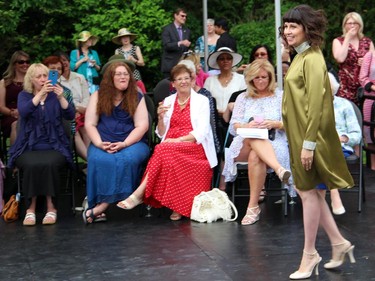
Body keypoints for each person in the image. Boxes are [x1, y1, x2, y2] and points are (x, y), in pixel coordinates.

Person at [280, 5, 356, 279]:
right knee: (311, 195)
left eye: (294, 26)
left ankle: (310, 254)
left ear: (306, 29)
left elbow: (316, 104)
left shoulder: (312, 58)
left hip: (311, 138)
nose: (288, 31)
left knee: (308, 194)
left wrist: (308, 144)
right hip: (303, 136)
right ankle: (338, 243)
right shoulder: (300, 56)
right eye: (286, 26)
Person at [117, 64, 217, 221]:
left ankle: (138, 194)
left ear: (192, 81)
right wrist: (161, 118)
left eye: (186, 78)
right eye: (179, 79)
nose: (183, 81)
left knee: (162, 149)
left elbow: (202, 131)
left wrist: (177, 140)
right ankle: (177, 206)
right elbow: (161, 132)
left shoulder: (201, 101)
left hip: (194, 145)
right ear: (173, 83)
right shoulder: (168, 101)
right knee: (165, 152)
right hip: (169, 146)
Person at [222, 59, 293, 225]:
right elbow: (233, 126)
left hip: (274, 142)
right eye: (257, 78)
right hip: (243, 144)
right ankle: (279, 169)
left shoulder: (281, 96)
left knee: (256, 156)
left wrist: (275, 123)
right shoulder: (243, 97)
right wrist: (248, 125)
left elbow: (291, 125)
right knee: (254, 136)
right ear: (251, 80)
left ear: (270, 78)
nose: (260, 81)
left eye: (264, 77)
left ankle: (252, 208)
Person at [7, 63, 75, 226]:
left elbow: (70, 114)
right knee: (32, 164)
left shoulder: (56, 95)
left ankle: (52, 208)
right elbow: (24, 112)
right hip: (29, 146)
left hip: (54, 145)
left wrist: (60, 97)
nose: (43, 79)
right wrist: (40, 95)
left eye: (45, 76)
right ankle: (31, 208)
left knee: (49, 163)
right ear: (31, 79)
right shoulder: (25, 95)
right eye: (39, 77)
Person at [82, 61, 149, 224]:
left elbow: (142, 125)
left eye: (126, 74)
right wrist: (98, 143)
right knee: (99, 159)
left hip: (132, 142)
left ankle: (101, 207)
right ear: (110, 78)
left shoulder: (136, 95)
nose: (123, 76)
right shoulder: (97, 95)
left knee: (125, 159)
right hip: (103, 141)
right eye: (118, 74)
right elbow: (89, 124)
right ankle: (100, 203)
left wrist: (125, 144)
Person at [317, 72, 361, 215]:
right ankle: (334, 195)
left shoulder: (344, 105)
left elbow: (357, 134)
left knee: (325, 151)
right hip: (316, 147)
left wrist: (342, 138)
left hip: (340, 147)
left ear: (333, 88)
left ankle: (322, 203)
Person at [204, 47, 246, 146]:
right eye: (222, 59)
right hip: (214, 122)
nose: (225, 61)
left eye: (228, 58)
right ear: (217, 62)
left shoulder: (241, 79)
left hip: (235, 121)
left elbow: (244, 101)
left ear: (232, 61)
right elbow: (205, 101)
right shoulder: (210, 81)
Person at [54, 51, 91, 160]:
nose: (63, 63)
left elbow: (86, 97)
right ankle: (90, 161)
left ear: (69, 62)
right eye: (61, 62)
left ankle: (90, 162)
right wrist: (75, 109)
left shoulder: (80, 77)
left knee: (86, 128)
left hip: (83, 111)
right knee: (74, 131)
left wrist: (82, 109)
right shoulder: (56, 80)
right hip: (69, 112)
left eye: (65, 60)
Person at [332, 12, 374, 104]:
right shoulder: (338, 41)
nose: (352, 26)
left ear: (360, 25)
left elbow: (374, 66)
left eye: (355, 23)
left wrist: (366, 63)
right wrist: (347, 38)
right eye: (349, 23)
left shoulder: (367, 42)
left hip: (365, 88)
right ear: (345, 25)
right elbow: (340, 58)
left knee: (365, 116)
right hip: (345, 88)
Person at [0, 51, 30, 145]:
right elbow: (1, 106)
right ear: (14, 64)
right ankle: (15, 155)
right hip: (11, 116)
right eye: (21, 62)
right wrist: (12, 112)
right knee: (16, 124)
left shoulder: (33, 81)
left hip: (30, 113)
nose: (25, 64)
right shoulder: (4, 82)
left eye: (27, 61)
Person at [161, 8, 191, 78]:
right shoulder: (167, 29)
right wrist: (180, 43)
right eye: (182, 16)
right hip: (170, 65)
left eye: (185, 16)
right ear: (175, 16)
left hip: (183, 66)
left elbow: (186, 48)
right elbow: (166, 45)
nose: (184, 18)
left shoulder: (187, 30)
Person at [359, 47, 375, 170]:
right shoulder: (370, 55)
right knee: (370, 134)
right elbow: (363, 78)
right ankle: (373, 168)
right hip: (371, 99)